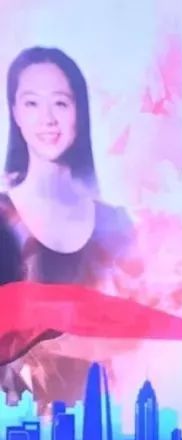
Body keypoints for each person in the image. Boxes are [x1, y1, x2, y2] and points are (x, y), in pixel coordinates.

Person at [0, 46, 136, 406]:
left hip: (107, 416)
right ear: (14, 112)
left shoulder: (116, 225)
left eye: (60, 103)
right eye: (32, 103)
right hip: (15, 414)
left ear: (79, 111)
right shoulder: (2, 217)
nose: (48, 119)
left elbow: (134, 337)